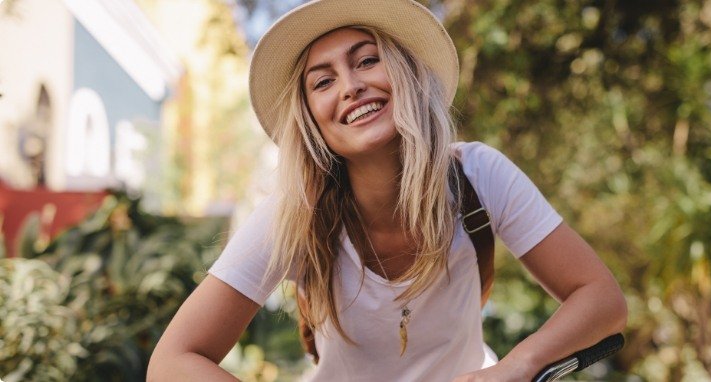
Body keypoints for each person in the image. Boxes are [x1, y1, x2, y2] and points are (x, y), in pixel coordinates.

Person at [148, 0, 627, 380]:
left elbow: (602, 299)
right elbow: (173, 361)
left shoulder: (480, 176)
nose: (351, 87)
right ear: (312, 122)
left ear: (405, 76)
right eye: (323, 81)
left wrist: (515, 368)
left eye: (368, 61)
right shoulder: (294, 214)